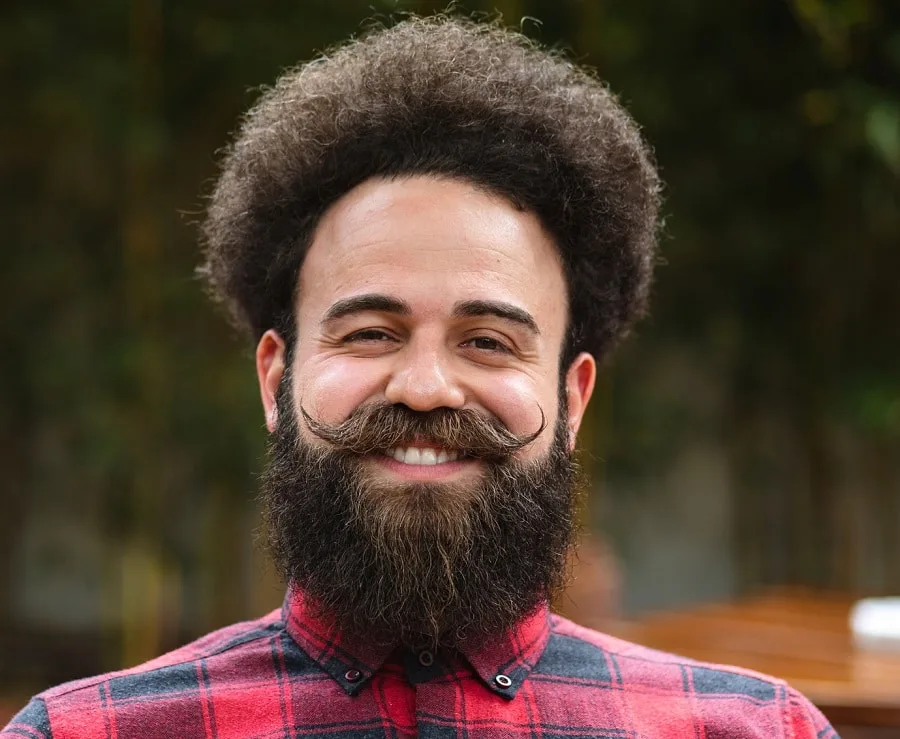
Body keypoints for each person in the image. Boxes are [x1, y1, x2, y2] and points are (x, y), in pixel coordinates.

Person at [3, 15, 837, 739]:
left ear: (572, 397)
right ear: (275, 378)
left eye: (488, 340)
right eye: (371, 332)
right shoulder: (87, 730)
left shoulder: (759, 726)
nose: (427, 386)